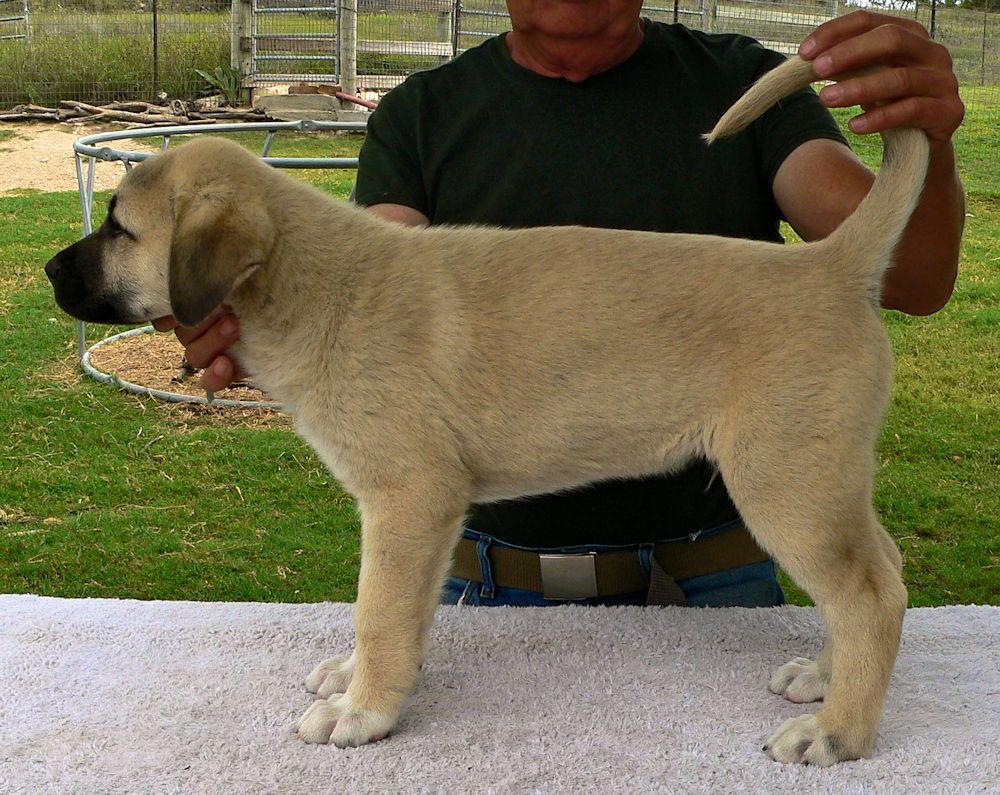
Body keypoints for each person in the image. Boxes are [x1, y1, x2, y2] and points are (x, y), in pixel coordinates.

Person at [154, 2, 964, 608]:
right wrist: (241, 302)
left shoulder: (740, 82)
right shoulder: (423, 112)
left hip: (715, 583)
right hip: (476, 584)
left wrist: (925, 134)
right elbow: (367, 307)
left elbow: (913, 275)